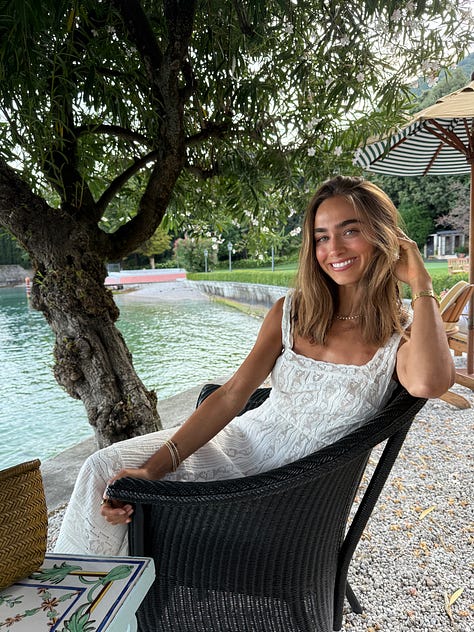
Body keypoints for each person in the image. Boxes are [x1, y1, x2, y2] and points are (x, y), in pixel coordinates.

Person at [54, 175, 455, 556]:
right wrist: (155, 468)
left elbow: (430, 383)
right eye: (321, 237)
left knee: (132, 500)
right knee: (104, 469)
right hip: (238, 444)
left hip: (276, 492)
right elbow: (232, 395)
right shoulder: (292, 312)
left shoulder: (399, 334)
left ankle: (100, 593)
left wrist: (422, 284)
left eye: (350, 231)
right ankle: (81, 598)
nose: (333, 249)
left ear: (385, 237)